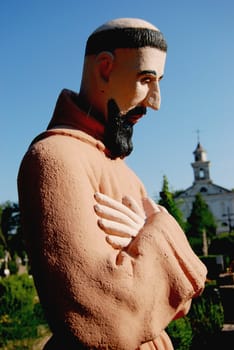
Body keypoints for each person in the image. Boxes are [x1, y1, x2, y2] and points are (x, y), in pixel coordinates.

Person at [17, 18, 207, 350]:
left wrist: (147, 240)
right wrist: (161, 229)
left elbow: (182, 302)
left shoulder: (123, 170)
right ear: (104, 68)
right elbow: (109, 316)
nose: (156, 101)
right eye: (146, 79)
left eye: (159, 82)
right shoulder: (54, 159)